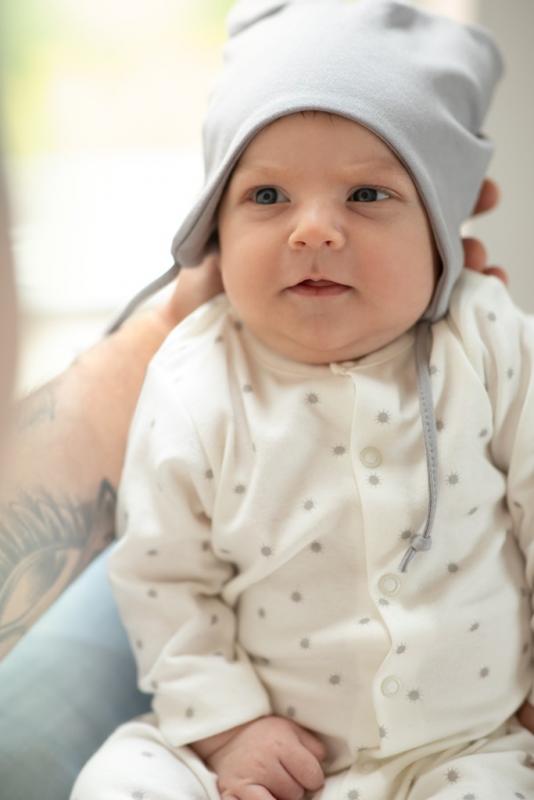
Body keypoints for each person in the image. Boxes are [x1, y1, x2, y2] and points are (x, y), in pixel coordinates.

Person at [69, 1, 534, 799]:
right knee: (118, 779)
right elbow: (163, 579)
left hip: (466, 744)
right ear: (214, 231)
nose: (313, 230)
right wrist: (228, 729)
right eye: (267, 197)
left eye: (367, 194)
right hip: (265, 760)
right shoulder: (195, 376)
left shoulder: (487, 338)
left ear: (440, 230)